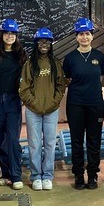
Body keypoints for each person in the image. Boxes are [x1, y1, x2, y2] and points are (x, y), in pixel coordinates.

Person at [19, 27, 66, 191]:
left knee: (50, 143)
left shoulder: (56, 64)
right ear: (36, 43)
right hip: (33, 111)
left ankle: (47, 176)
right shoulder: (29, 64)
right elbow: (23, 88)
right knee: (34, 144)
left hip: (51, 111)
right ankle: (35, 176)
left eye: (47, 41)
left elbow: (61, 86)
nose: (44, 44)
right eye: (41, 41)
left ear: (51, 44)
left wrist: (54, 102)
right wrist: (35, 104)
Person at [63, 17, 104, 190]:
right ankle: (79, 175)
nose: (84, 37)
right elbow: (67, 79)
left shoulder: (99, 57)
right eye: (81, 34)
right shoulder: (70, 58)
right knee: (76, 141)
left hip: (95, 104)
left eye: (87, 34)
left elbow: (102, 78)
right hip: (75, 105)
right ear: (76, 37)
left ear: (92, 36)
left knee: (94, 140)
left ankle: (93, 175)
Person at [0, 18, 27, 190]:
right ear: (2, 35)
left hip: (12, 100)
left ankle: (16, 176)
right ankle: (6, 174)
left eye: (13, 34)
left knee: (12, 139)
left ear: (16, 36)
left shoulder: (21, 55)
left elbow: (26, 77)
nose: (10, 36)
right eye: (7, 33)